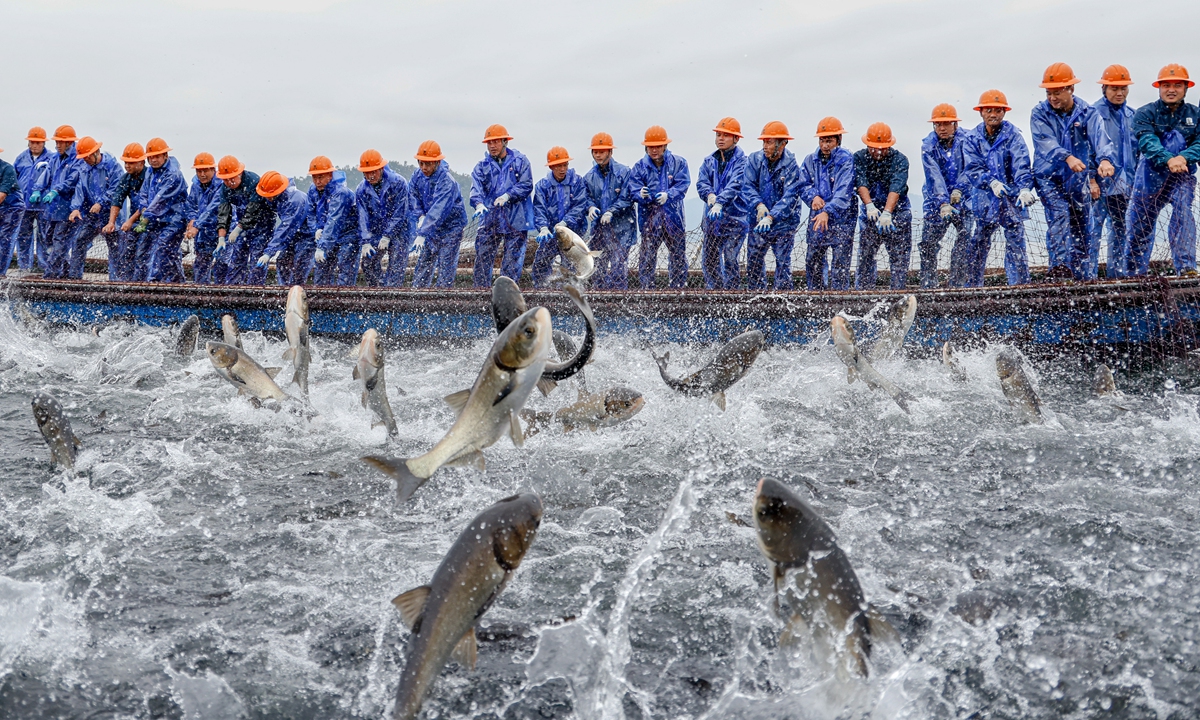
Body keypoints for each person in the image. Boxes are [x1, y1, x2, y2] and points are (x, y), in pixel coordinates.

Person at [1030, 62, 1117, 281]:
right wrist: (1066, 157)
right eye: (1049, 93)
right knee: (1058, 216)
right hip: (1048, 177)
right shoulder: (1039, 113)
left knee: (1082, 223)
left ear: (1071, 89)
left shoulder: (1088, 112)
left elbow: (1100, 138)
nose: (1052, 97)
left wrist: (1105, 160)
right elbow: (1045, 142)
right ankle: (1060, 270)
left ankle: (1083, 276)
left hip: (1077, 179)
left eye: (1057, 92)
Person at [1126, 63, 1200, 277]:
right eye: (1166, 85)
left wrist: (1184, 157)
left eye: (1177, 85)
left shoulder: (1195, 115)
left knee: (1183, 212)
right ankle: (1133, 274)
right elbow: (1147, 141)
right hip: (1149, 177)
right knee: (1139, 227)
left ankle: (1186, 268)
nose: (1171, 89)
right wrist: (1168, 159)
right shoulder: (1144, 113)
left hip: (1182, 177)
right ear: (1159, 88)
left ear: (1186, 88)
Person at [960, 89, 1037, 287]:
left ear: (1004, 113)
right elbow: (972, 167)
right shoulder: (972, 138)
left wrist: (1024, 188)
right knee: (979, 242)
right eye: (989, 110)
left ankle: (1019, 287)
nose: (993, 114)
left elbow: (1021, 164)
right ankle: (972, 288)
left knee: (1016, 242)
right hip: (984, 199)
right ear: (981, 112)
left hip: (1010, 199)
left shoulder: (1014, 136)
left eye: (997, 110)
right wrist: (990, 182)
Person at [470, 125, 534, 287]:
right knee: (483, 258)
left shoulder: (521, 161)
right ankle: (480, 294)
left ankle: (508, 294)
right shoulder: (482, 167)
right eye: (489, 142)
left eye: (496, 142)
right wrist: (478, 204)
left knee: (512, 261)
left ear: (505, 141)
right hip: (490, 219)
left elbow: (526, 184)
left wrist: (508, 196)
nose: (492, 146)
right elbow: (475, 188)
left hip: (516, 219)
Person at [1090, 65, 1138, 278]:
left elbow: (1136, 153)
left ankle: (1116, 277)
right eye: (1114, 88)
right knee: (1092, 230)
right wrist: (1091, 179)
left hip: (1125, 186)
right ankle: (1087, 277)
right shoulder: (1093, 114)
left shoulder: (1132, 116)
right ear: (1105, 89)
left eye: (1123, 88)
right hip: (1099, 186)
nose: (1119, 93)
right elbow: (1086, 150)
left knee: (1120, 230)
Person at [796, 118, 855, 290]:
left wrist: (828, 210)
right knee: (813, 260)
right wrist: (812, 197)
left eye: (829, 140)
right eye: (822, 140)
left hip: (842, 219)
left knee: (840, 264)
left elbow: (844, 191)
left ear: (838, 140)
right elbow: (802, 184)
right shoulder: (810, 160)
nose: (825, 145)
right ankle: (815, 297)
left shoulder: (846, 160)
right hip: (817, 218)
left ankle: (839, 301)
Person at [919, 104, 974, 288]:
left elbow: (971, 167)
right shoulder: (928, 146)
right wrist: (943, 201)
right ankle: (928, 286)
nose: (942, 128)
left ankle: (957, 285)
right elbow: (933, 175)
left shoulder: (968, 140)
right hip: (935, 202)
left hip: (964, 201)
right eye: (938, 124)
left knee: (964, 240)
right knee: (928, 244)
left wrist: (960, 189)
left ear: (955, 124)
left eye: (946, 123)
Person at [630, 125, 690, 289]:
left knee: (678, 255)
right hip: (649, 221)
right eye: (651, 147)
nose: (654, 150)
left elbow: (683, 184)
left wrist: (668, 195)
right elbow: (633, 188)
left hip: (674, 219)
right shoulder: (639, 167)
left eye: (657, 146)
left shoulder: (679, 163)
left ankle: (679, 289)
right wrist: (641, 194)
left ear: (665, 146)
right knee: (647, 257)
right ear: (646, 147)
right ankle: (646, 289)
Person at [854, 122, 913, 289]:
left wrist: (887, 212)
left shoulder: (900, 160)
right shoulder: (859, 158)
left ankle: (897, 293)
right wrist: (869, 206)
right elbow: (861, 182)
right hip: (870, 213)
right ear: (867, 144)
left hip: (898, 213)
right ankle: (863, 294)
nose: (878, 152)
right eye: (874, 148)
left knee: (899, 258)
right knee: (866, 257)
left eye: (882, 148)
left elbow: (897, 185)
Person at [696, 117, 749, 289]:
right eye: (719, 134)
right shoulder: (708, 161)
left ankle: (732, 292)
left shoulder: (743, 162)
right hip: (712, 220)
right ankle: (714, 291)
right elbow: (702, 182)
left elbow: (736, 184)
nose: (720, 138)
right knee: (710, 258)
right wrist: (709, 195)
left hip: (735, 219)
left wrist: (720, 202)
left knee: (731, 257)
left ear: (736, 138)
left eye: (726, 135)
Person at [409, 141, 467, 288]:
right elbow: (413, 196)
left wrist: (422, 233)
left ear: (437, 162)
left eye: (428, 164)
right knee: (424, 262)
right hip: (430, 227)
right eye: (421, 163)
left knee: (446, 264)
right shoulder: (417, 175)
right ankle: (417, 295)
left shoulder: (447, 181)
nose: (424, 168)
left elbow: (438, 210)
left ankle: (443, 298)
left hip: (451, 227)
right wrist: (420, 216)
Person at [582, 132, 636, 289]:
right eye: (595, 152)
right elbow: (585, 198)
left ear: (610, 152)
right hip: (599, 230)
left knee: (619, 265)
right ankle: (599, 300)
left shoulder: (624, 172)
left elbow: (627, 197)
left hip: (622, 228)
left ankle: (619, 300)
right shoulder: (589, 177)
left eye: (602, 151)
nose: (598, 155)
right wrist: (590, 207)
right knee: (597, 266)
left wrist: (611, 211)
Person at [531, 146, 589, 287]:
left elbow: (580, 206)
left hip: (572, 235)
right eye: (558, 166)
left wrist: (565, 223)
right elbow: (539, 209)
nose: (562, 169)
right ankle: (541, 292)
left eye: (565, 165)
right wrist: (543, 228)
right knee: (540, 264)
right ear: (551, 166)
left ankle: (569, 295)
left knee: (569, 267)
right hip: (550, 234)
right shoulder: (542, 186)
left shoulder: (577, 182)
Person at [31, 125, 83, 279]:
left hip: (67, 209)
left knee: (60, 241)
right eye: (57, 142)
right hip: (53, 209)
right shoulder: (54, 158)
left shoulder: (77, 159)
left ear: (69, 143)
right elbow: (46, 175)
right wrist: (37, 189)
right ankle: (65, 271)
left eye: (60, 142)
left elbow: (72, 180)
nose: (57, 145)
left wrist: (57, 190)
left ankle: (51, 275)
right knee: (48, 239)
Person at [66, 137, 121, 279]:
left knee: (115, 246)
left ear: (96, 153)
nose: (85, 160)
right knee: (79, 241)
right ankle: (74, 278)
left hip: (111, 216)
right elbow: (79, 189)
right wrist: (75, 208)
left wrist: (101, 202)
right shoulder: (84, 168)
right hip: (92, 216)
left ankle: (116, 281)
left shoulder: (113, 166)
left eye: (87, 156)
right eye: (83, 157)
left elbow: (117, 189)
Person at [355, 149, 412, 287]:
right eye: (367, 172)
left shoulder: (398, 183)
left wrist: (388, 235)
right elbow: (362, 217)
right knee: (368, 262)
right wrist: (365, 241)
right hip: (376, 231)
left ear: (381, 168)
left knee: (396, 266)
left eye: (373, 171)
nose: (371, 176)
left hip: (399, 231)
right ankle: (378, 292)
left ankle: (393, 297)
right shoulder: (361, 190)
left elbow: (400, 213)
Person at [136, 138, 188, 283]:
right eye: (150, 157)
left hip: (174, 219)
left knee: (161, 248)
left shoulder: (173, 175)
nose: (153, 160)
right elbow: (144, 192)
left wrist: (146, 216)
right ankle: (178, 282)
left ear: (165, 155)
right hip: (156, 219)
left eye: (157, 156)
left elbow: (161, 199)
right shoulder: (150, 172)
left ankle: (154, 282)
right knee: (167, 253)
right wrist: (143, 207)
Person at [215, 156, 272, 285]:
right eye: (225, 180)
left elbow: (253, 210)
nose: (229, 183)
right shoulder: (225, 189)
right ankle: (233, 294)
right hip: (242, 227)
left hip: (261, 226)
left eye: (232, 178)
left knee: (257, 264)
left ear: (239, 173)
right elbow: (224, 212)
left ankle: (255, 294)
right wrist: (221, 238)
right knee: (236, 261)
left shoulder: (253, 181)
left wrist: (238, 229)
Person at [255, 171, 316, 286]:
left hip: (307, 237)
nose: (266, 198)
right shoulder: (276, 199)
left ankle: (297, 294)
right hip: (293, 236)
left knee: (299, 267)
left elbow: (286, 228)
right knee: (283, 262)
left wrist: (269, 252)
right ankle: (284, 292)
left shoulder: (295, 201)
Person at [308, 156, 360, 287]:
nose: (317, 181)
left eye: (320, 177)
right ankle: (321, 301)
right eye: (314, 177)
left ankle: (345, 303)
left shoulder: (340, 192)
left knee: (345, 270)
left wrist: (322, 246)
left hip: (348, 235)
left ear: (330, 175)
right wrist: (316, 229)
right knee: (321, 270)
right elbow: (310, 213)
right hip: (327, 235)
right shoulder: (313, 191)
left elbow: (334, 220)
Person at [103, 143, 148, 281]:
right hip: (134, 223)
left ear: (141, 162)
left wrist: (130, 220)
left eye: (131, 163)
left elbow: (146, 203)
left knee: (143, 255)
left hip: (150, 223)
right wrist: (111, 222)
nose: (127, 166)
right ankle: (125, 285)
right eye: (126, 162)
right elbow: (117, 200)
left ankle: (144, 286)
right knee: (126, 253)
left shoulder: (149, 177)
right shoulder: (126, 178)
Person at [13, 127, 50, 272]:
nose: (35, 145)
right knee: (22, 236)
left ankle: (44, 267)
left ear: (44, 143)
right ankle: (24, 267)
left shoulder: (51, 158)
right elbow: (14, 180)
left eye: (38, 142)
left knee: (44, 236)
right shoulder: (21, 158)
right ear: (28, 142)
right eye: (32, 142)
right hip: (24, 205)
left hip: (43, 206)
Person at [184, 153, 224, 283]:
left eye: (205, 170)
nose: (202, 174)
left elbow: (212, 209)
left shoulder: (221, 185)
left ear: (213, 169)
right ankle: (200, 296)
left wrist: (197, 225)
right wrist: (192, 219)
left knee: (222, 265)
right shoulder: (195, 185)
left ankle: (223, 297)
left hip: (221, 231)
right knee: (201, 265)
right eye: (199, 171)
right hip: (204, 233)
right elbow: (191, 205)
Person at [0, 147, 24, 276]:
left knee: (4, 238)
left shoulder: (7, 169)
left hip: (12, 207)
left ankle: (1, 272)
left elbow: (2, 195)